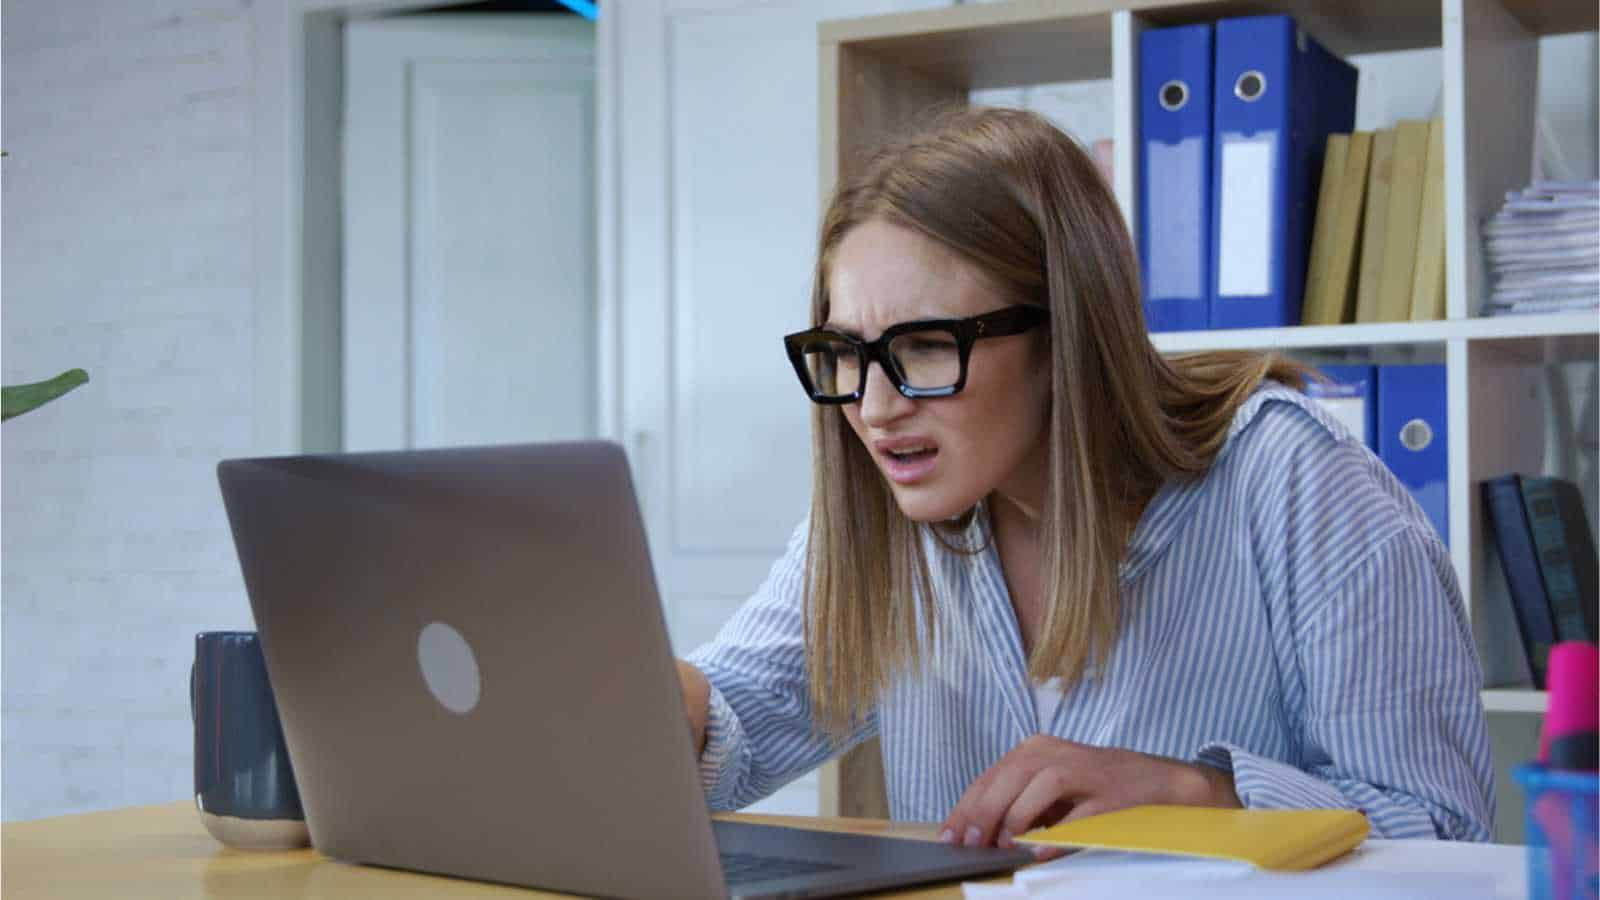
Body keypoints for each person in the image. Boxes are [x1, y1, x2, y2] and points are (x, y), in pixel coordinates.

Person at [674, 106, 1494, 850]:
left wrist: (1196, 793)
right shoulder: (889, 507)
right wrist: (632, 690)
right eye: (848, 352)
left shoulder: (1295, 480)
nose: (875, 406)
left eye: (925, 346)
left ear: (1064, 336)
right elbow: (740, 718)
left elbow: (1445, 828)